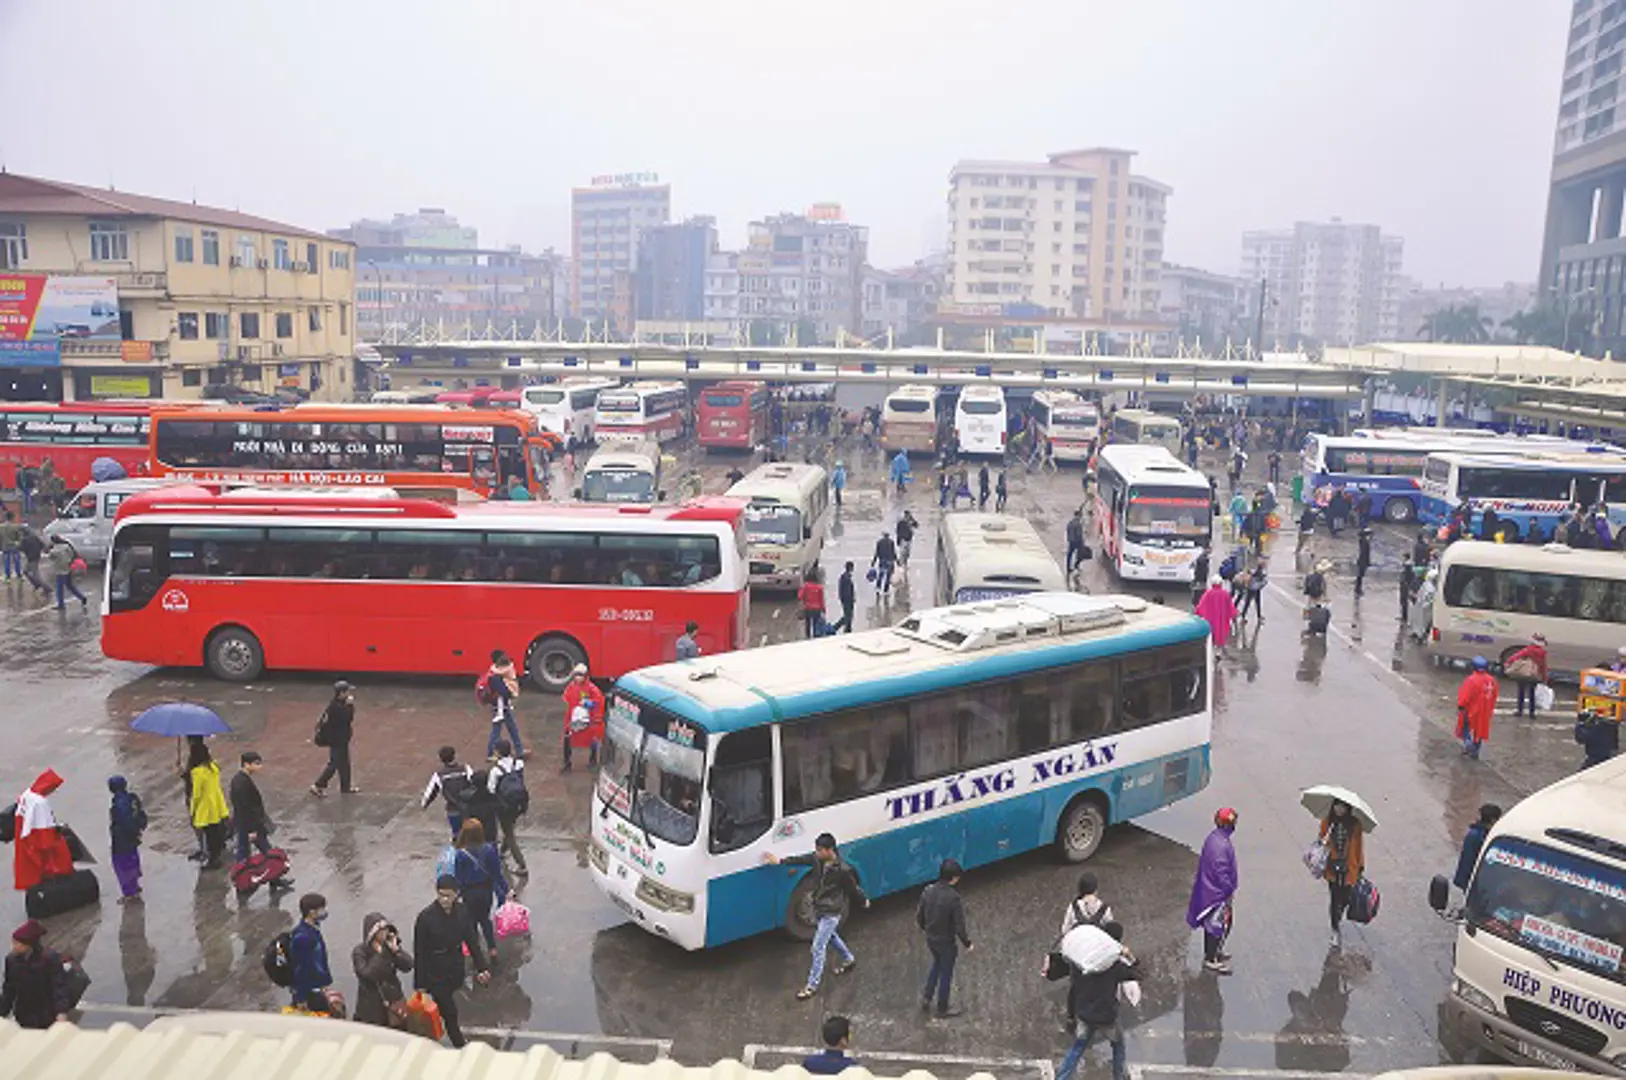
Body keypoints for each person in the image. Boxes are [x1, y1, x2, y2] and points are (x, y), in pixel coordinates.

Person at [764, 832, 868, 1001]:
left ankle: (812, 986)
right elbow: (801, 860)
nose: (816, 853)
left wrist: (863, 901)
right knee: (831, 937)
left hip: (832, 912)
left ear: (830, 850)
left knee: (818, 947)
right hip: (819, 909)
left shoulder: (843, 870)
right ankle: (849, 959)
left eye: (820, 850)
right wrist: (780, 861)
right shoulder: (817, 861)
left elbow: (853, 889)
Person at [1055, 921, 1140, 1080]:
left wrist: (1071, 1015)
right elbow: (1139, 973)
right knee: (1118, 1046)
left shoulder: (1080, 961)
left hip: (1084, 1013)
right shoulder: (1115, 965)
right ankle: (1118, 1076)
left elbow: (1073, 991)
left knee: (1077, 1048)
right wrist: (1129, 956)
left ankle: (1062, 1077)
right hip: (1107, 1016)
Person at [415, 875, 492, 1048]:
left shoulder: (463, 912)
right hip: (436, 971)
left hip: (456, 965)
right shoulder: (426, 918)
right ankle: (458, 1043)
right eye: (441, 895)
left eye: (448, 895)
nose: (444, 900)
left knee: (454, 1000)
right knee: (450, 1011)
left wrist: (482, 967)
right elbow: (420, 952)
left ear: (456, 894)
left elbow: (472, 941)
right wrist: (420, 984)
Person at [916, 858, 972, 1018]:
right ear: (953, 878)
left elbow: (919, 916)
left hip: (931, 939)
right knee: (946, 973)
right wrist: (967, 944)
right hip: (946, 942)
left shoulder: (927, 891)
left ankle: (927, 997)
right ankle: (942, 1007)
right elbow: (959, 926)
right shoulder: (953, 898)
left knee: (936, 965)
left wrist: (926, 929)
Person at [1186, 808, 1239, 975]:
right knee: (1220, 926)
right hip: (1216, 895)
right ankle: (1211, 959)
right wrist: (1229, 889)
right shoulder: (1221, 845)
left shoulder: (1215, 839)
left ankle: (1213, 953)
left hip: (1210, 892)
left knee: (1214, 926)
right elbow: (1221, 871)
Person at [452, 820, 508, 958]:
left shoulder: (461, 854)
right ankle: (492, 948)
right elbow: (497, 873)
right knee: (484, 919)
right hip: (485, 891)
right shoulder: (489, 850)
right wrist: (506, 889)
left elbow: (458, 877)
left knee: (471, 921)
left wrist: (456, 893)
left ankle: (474, 950)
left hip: (469, 892)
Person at [0, 920, 67, 1029]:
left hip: (46, 1013)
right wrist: (2, 1012)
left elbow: (58, 986)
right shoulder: (11, 960)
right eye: (13, 942)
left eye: (18, 943)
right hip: (24, 1014)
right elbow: (9, 989)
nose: (13, 946)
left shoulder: (49, 958)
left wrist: (61, 1011)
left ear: (29, 945)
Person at [13, 770, 72, 892]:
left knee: (29, 870)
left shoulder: (27, 794)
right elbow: (44, 832)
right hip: (35, 838)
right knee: (56, 861)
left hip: (24, 835)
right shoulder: (40, 802)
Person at [352, 911, 413, 1028]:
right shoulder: (360, 952)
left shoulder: (390, 947)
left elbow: (408, 966)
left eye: (386, 930)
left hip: (393, 998)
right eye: (381, 931)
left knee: (399, 1029)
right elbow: (367, 975)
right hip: (371, 1003)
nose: (384, 933)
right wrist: (382, 954)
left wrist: (396, 951)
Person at [1319, 800, 1366, 948]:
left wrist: (1360, 865)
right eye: (1336, 806)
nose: (1339, 810)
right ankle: (1335, 927)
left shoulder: (1355, 825)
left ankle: (1339, 914)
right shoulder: (1327, 821)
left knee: (1346, 896)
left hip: (1349, 867)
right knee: (1334, 897)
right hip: (1332, 866)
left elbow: (1359, 846)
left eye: (1342, 807)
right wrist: (1324, 839)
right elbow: (1321, 839)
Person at [230, 751, 279, 870]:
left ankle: (273, 878)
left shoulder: (240, 780)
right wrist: (252, 830)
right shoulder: (241, 783)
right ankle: (242, 879)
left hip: (247, 824)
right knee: (263, 851)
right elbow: (244, 807)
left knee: (248, 852)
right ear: (247, 764)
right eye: (256, 764)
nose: (259, 767)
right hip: (250, 825)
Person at [311, 680, 360, 795]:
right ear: (341, 693)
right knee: (334, 763)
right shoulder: (337, 707)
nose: (349, 693)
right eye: (347, 691)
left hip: (341, 739)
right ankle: (318, 785)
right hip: (336, 740)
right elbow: (348, 718)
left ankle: (345, 787)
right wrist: (350, 705)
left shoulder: (336, 704)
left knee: (344, 764)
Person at [487, 739, 528, 876]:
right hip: (519, 802)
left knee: (509, 834)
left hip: (504, 806)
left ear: (498, 752)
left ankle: (522, 865)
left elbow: (491, 789)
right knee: (509, 827)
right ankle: (502, 851)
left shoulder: (496, 770)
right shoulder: (519, 763)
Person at [289, 893, 334, 1013]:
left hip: (317, 989)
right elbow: (301, 969)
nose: (324, 912)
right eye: (321, 909)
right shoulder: (303, 937)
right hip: (311, 994)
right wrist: (301, 998)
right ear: (311, 912)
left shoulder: (313, 929)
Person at [188, 743, 230, 870]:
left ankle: (213, 859)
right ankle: (215, 855)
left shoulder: (197, 772)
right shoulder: (214, 767)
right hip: (217, 804)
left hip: (205, 807)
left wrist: (192, 810)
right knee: (215, 831)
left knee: (209, 834)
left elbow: (196, 794)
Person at [421, 745, 475, 840]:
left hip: (453, 809)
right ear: (454, 756)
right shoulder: (465, 769)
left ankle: (459, 851)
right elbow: (475, 782)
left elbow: (429, 793)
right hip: (468, 807)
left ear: (441, 759)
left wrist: (424, 805)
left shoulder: (439, 775)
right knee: (471, 833)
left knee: (457, 834)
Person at [107, 775, 147, 902]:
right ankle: (135, 886)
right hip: (132, 837)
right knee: (132, 860)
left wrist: (129, 832)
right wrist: (138, 830)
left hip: (121, 839)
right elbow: (142, 815)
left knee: (122, 865)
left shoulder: (119, 804)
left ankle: (130, 893)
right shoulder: (132, 798)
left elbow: (124, 821)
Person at [561, 663, 605, 772]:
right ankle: (567, 763)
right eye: (576, 675)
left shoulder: (592, 689)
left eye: (580, 675)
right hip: (574, 719)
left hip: (588, 720)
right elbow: (566, 700)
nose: (577, 677)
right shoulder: (571, 687)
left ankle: (593, 760)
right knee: (568, 740)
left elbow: (599, 702)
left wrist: (588, 704)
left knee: (592, 740)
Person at [484, 651, 525, 760]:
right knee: (498, 729)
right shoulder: (498, 676)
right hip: (500, 706)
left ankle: (519, 749)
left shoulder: (494, 673)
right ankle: (491, 753)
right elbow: (504, 692)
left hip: (501, 704)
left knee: (511, 727)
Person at [1452, 804, 1502, 895]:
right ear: (1493, 820)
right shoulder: (1480, 837)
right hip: (1473, 881)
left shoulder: (1475, 832)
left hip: (1468, 880)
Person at [1457, 656, 1498, 760]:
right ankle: (1476, 750)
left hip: (1472, 710)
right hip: (1486, 710)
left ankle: (1469, 745)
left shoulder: (1471, 680)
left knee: (1465, 728)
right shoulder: (1492, 681)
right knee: (1480, 731)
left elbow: (1465, 696)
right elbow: (1495, 695)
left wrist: (1461, 706)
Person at [1506, 633, 1549, 718]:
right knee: (1532, 693)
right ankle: (1531, 713)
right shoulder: (1542, 653)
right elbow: (1544, 666)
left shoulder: (1528, 650)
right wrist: (1544, 677)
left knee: (1521, 692)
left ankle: (1520, 711)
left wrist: (1508, 662)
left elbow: (1516, 656)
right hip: (1534, 675)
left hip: (1523, 674)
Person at [1195, 576, 1237, 651]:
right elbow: (1230, 607)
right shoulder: (1225, 594)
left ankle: (1212, 651)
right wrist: (1234, 616)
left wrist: (1197, 614)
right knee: (1221, 636)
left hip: (1210, 620)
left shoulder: (1208, 594)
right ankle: (1218, 651)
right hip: (1222, 620)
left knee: (1211, 636)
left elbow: (1200, 606)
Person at [46, 536, 86, 611]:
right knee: (70, 586)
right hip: (68, 568)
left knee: (59, 588)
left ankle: (61, 605)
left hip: (60, 570)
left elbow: (50, 557)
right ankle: (81, 597)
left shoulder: (54, 550)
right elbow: (72, 555)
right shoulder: (67, 546)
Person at [17, 525, 48, 596]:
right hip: (36, 556)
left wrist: (17, 544)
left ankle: (47, 588)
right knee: (25, 571)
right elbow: (42, 545)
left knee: (36, 575)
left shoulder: (24, 539)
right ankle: (36, 584)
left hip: (31, 558)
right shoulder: (35, 537)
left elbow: (21, 548)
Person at [798, 568, 826, 639]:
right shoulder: (819, 587)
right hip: (817, 609)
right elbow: (821, 600)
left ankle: (808, 637)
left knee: (808, 624)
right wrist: (823, 609)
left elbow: (799, 596)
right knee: (815, 624)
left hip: (808, 608)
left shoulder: (805, 587)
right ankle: (815, 636)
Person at [832, 561, 857, 634]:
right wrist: (849, 599)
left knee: (848, 615)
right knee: (848, 616)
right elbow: (846, 590)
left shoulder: (845, 576)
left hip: (847, 599)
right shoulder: (845, 577)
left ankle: (846, 628)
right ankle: (838, 628)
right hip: (847, 600)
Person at [1066, 509, 1087, 574]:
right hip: (1077, 541)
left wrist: (1069, 538)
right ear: (1078, 515)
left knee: (1069, 554)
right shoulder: (1078, 524)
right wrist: (1082, 541)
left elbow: (1068, 531)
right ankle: (1076, 564)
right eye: (1080, 515)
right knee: (1082, 554)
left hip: (1071, 541)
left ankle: (1068, 568)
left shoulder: (1070, 522)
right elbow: (1079, 534)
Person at [0, 511, 20, 581]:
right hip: (14, 546)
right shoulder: (15, 526)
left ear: (6, 517)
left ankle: (8, 576)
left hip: (5, 546)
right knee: (17, 561)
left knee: (6, 562)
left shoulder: (1, 527)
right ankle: (19, 574)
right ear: (12, 518)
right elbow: (18, 537)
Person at [1354, 527, 1372, 597]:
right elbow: (1364, 553)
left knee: (1360, 576)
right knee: (1360, 576)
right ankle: (1358, 590)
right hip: (1363, 562)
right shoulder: (1365, 542)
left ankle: (1358, 589)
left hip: (1362, 561)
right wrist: (1366, 562)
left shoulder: (1363, 541)